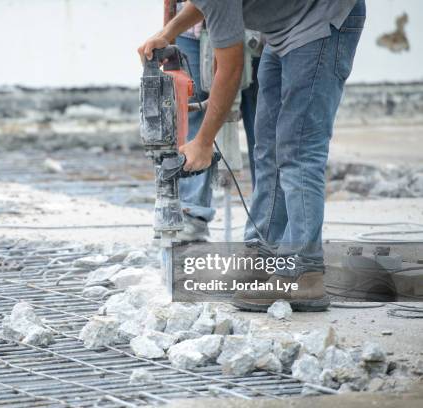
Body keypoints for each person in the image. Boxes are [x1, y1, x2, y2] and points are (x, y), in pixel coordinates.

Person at [138, 0, 366, 311]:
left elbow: (229, 71)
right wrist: (169, 31)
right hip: (285, 30)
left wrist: (203, 142)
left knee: (298, 148)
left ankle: (304, 271)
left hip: (323, 21)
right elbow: (204, 3)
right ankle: (264, 253)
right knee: (268, 146)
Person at [174, 10, 261, 243]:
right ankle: (191, 214)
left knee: (263, 125)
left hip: (256, 26)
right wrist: (170, 30)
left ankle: (268, 222)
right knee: (192, 115)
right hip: (190, 29)